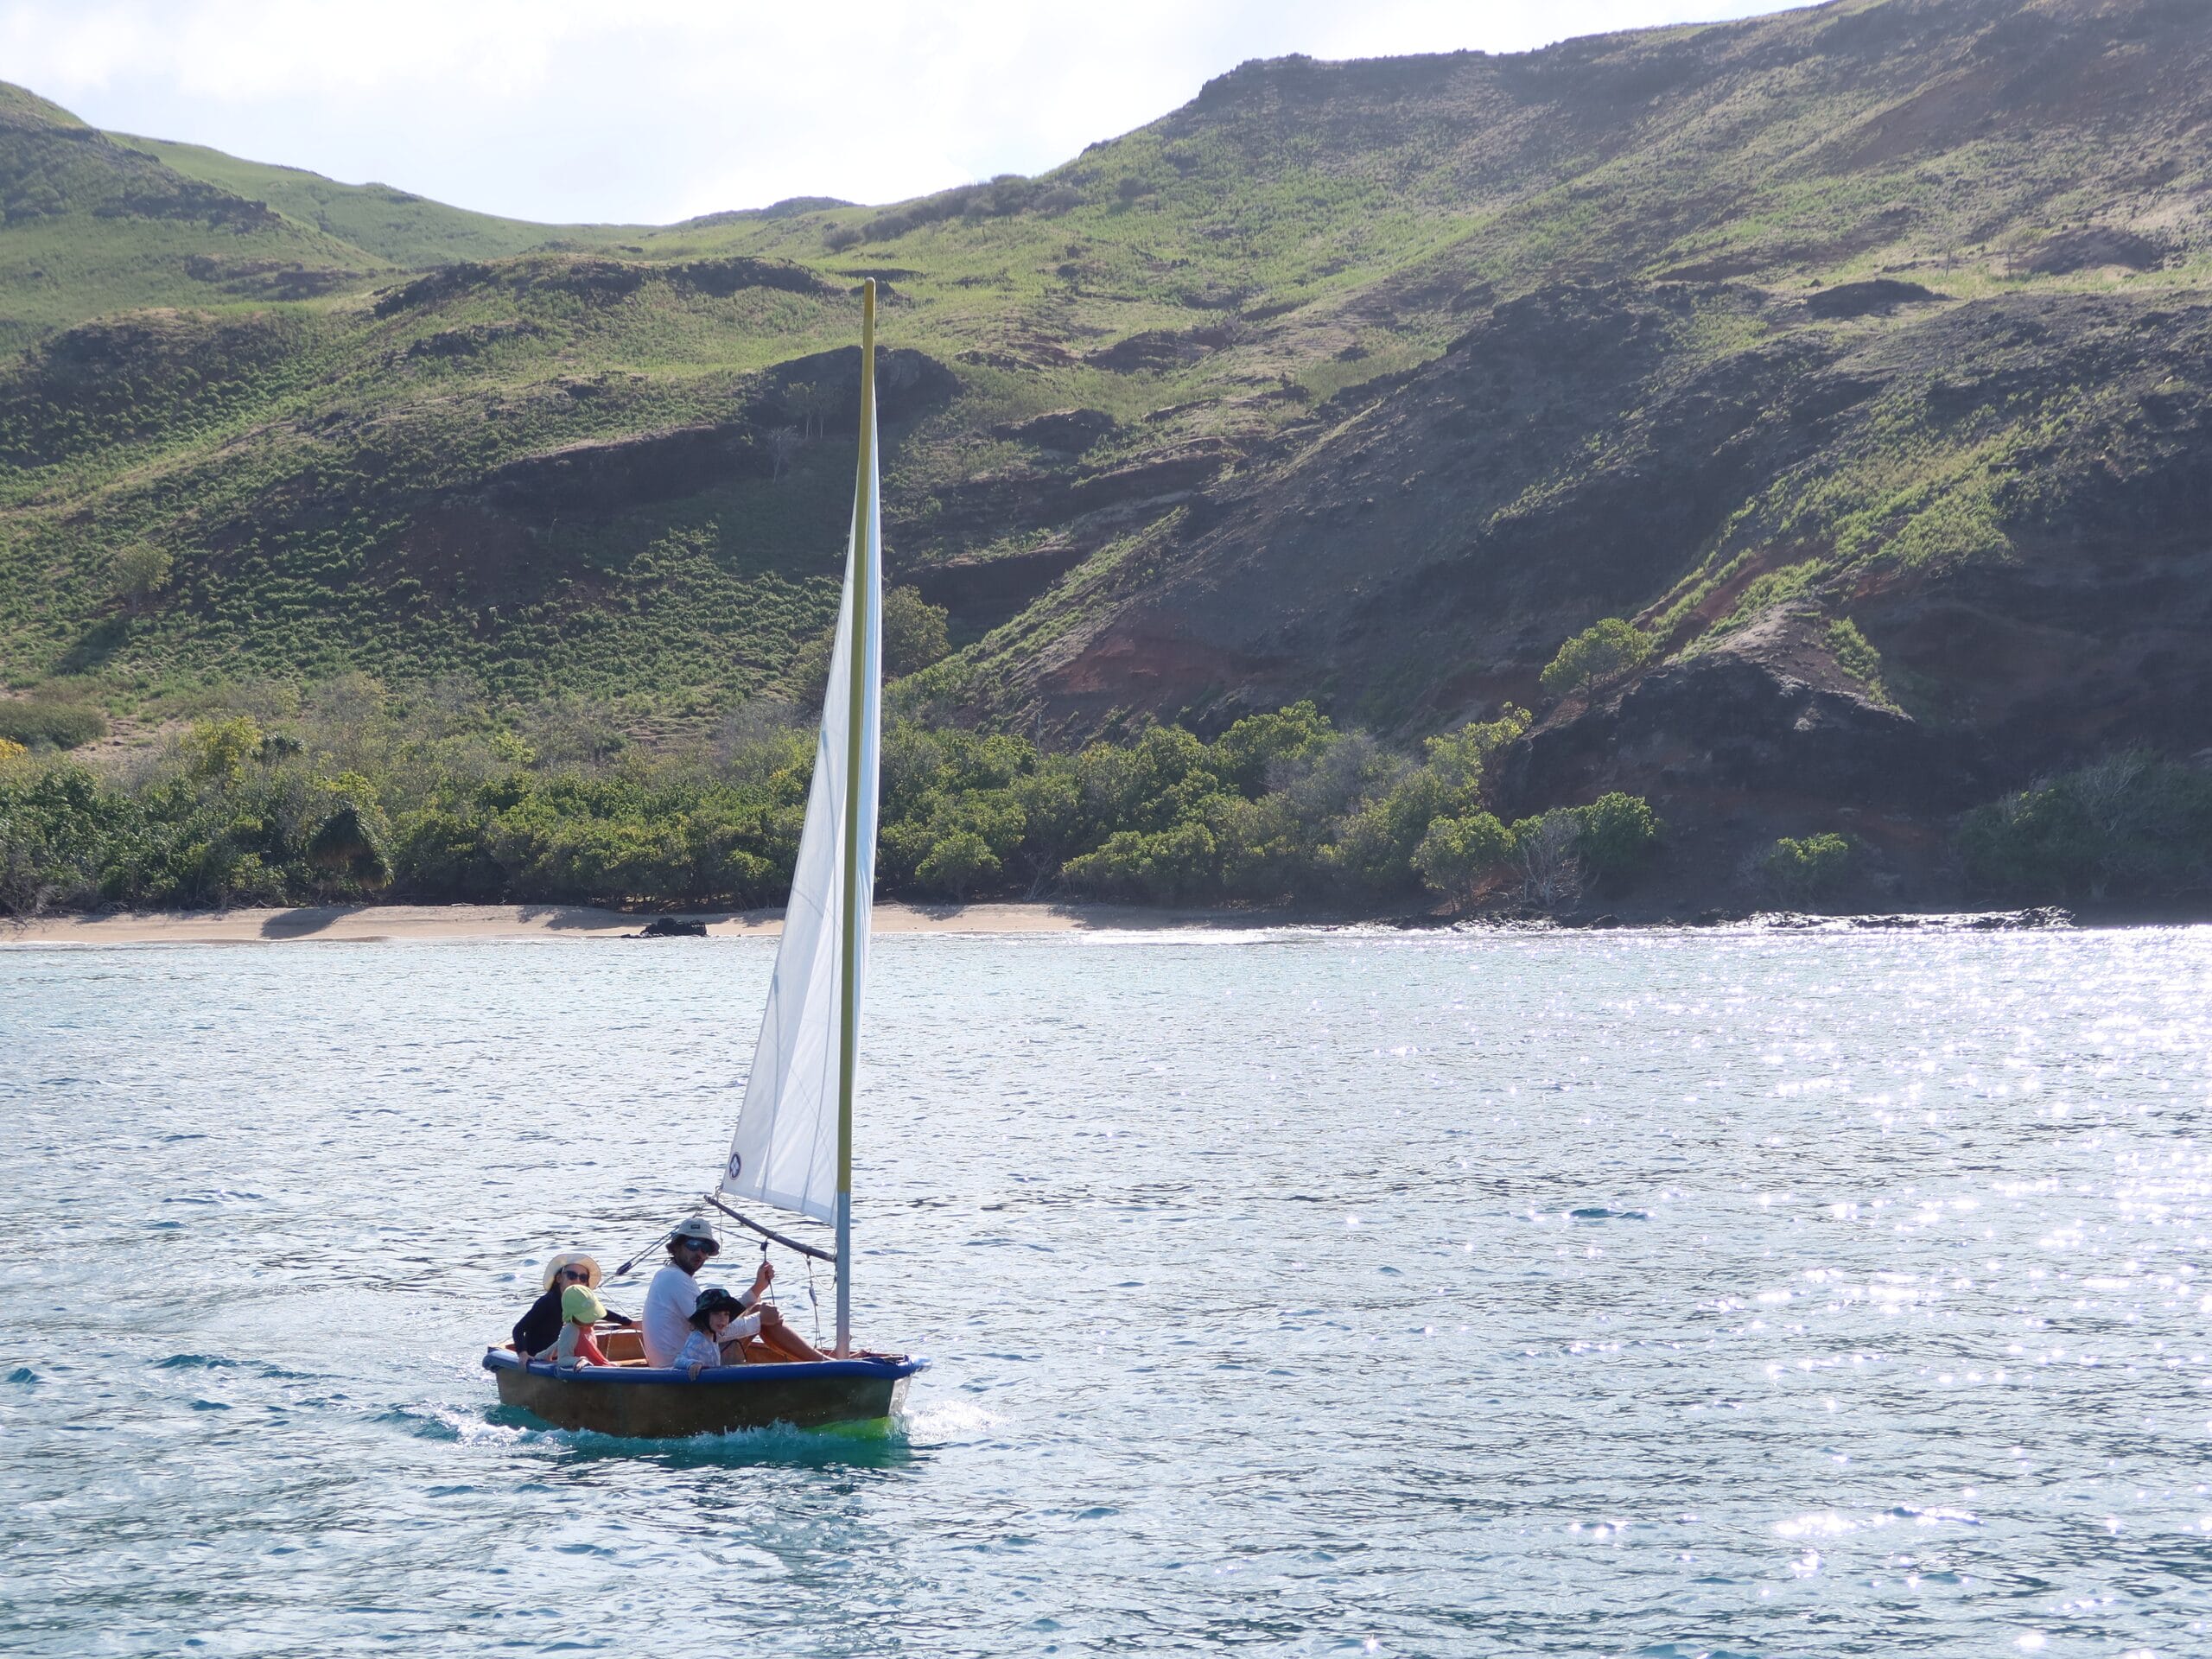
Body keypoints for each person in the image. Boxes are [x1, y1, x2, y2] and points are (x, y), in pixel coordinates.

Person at [639, 1216, 828, 1366]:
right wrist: (759, 1320)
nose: (699, 1253)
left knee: (756, 1311)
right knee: (759, 1313)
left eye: (705, 1248)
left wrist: (757, 1288)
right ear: (677, 1247)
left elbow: (717, 1321)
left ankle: (821, 1361)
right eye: (693, 1245)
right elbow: (715, 1329)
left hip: (684, 1362)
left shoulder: (671, 1275)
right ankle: (825, 1365)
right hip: (681, 1370)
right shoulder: (675, 1279)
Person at [512, 1252, 632, 1359]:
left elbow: (598, 1312)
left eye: (583, 1278)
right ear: (559, 1278)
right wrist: (523, 1355)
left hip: (560, 1354)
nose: (577, 1281)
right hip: (538, 1358)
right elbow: (518, 1330)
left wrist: (629, 1323)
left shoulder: (577, 1301)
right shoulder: (547, 1302)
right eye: (572, 1276)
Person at [674, 1287, 748, 1377]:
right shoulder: (698, 1339)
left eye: (726, 1314)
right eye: (716, 1314)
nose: (722, 1319)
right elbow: (678, 1360)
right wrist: (691, 1364)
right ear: (704, 1316)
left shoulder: (712, 1336)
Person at [541, 1283, 610, 1370]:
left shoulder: (587, 1328)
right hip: (588, 1370)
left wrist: (544, 1355)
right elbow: (562, 1360)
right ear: (572, 1316)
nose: (592, 1319)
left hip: (597, 1366)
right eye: (587, 1316)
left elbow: (561, 1343)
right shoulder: (571, 1329)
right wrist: (579, 1360)